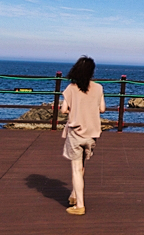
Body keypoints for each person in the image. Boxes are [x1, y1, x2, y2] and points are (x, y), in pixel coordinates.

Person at [60, 56, 105, 215]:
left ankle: (79, 205)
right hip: (91, 133)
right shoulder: (99, 88)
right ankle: (74, 195)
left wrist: (75, 108)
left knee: (76, 169)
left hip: (76, 133)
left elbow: (64, 110)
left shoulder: (71, 88)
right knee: (82, 166)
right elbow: (102, 109)